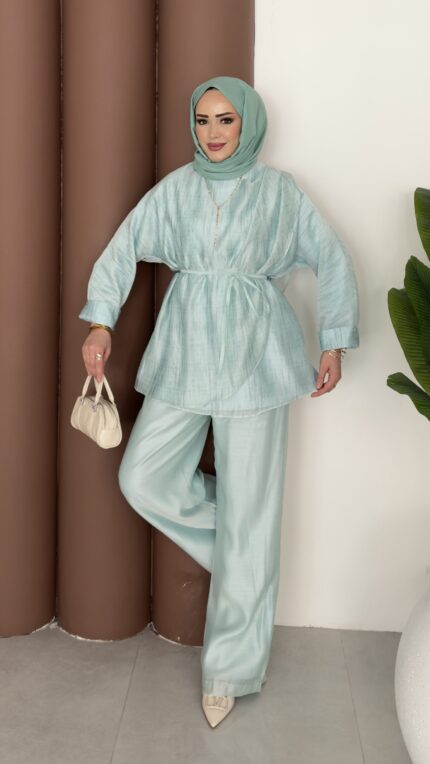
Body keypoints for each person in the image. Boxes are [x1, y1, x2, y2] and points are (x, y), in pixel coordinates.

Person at [79, 76, 359, 728]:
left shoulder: (280, 193)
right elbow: (124, 248)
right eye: (203, 120)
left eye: (225, 119)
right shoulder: (176, 191)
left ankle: (230, 670)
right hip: (185, 354)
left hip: (260, 359)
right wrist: (100, 322)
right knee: (142, 476)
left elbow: (332, 257)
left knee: (252, 509)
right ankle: (245, 559)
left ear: (247, 124)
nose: (212, 132)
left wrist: (334, 340)